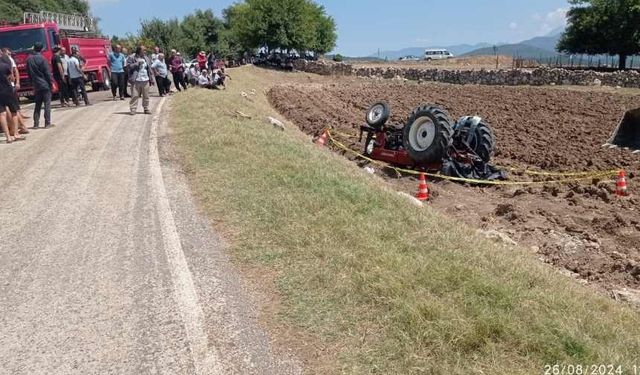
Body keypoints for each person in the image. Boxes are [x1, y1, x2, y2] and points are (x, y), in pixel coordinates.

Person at [26, 42, 54, 129]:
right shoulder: (42, 59)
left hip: (36, 84)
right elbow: (47, 73)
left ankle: (36, 124)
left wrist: (32, 83)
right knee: (47, 104)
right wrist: (51, 83)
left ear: (34, 48)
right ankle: (47, 123)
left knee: (37, 105)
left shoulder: (29, 60)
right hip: (44, 84)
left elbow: (29, 74)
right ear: (41, 49)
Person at [126, 45, 155, 115]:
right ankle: (133, 109)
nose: (145, 51)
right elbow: (128, 67)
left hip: (145, 79)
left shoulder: (146, 58)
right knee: (135, 95)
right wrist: (137, 63)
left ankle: (146, 108)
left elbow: (149, 69)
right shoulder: (132, 57)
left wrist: (152, 78)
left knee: (146, 95)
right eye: (144, 50)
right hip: (136, 80)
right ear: (139, 50)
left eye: (145, 50)